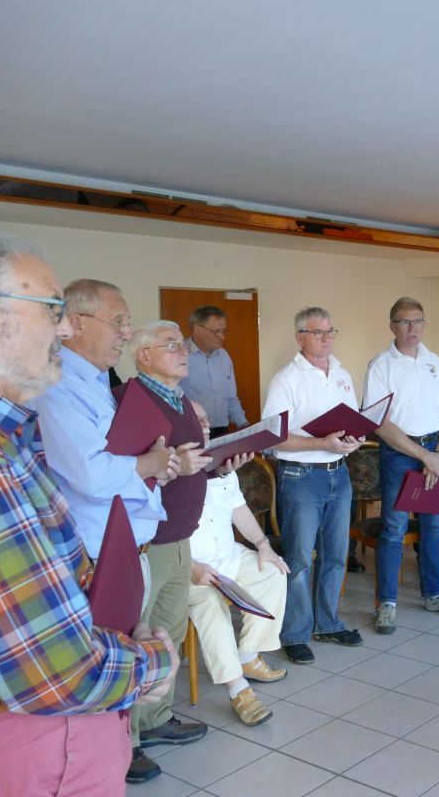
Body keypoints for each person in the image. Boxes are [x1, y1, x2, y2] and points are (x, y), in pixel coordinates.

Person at [0, 231, 176, 795]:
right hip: (35, 748)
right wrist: (154, 660)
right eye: (53, 308)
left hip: (36, 740)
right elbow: (58, 672)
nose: (65, 329)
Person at [29, 278, 187, 783]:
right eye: (118, 323)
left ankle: (120, 750)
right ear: (76, 323)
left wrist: (156, 465)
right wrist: (148, 464)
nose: (125, 333)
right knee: (103, 662)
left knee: (129, 650)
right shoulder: (57, 385)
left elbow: (121, 458)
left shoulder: (98, 382)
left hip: (127, 543)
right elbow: (91, 473)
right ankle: (105, 763)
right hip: (96, 553)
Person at [119, 320, 214, 780]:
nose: (183, 351)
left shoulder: (181, 401)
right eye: (171, 345)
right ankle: (126, 741)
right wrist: (176, 465)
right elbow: (123, 470)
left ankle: (155, 719)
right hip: (145, 542)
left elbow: (189, 462)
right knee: (137, 639)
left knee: (168, 635)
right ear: (143, 355)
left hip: (180, 537)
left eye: (183, 345)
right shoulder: (130, 401)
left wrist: (217, 464)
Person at [262, 307, 365, 664]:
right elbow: (273, 437)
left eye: (330, 330)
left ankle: (328, 623)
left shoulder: (342, 373)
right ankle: (295, 633)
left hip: (339, 473)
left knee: (336, 554)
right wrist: (321, 443)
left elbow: (351, 422)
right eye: (317, 332)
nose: (326, 337)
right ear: (300, 337)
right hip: (301, 477)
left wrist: (353, 439)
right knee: (300, 558)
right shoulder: (285, 379)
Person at [362, 297, 439, 634]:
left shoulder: (434, 360)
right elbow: (380, 424)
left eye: (418, 321)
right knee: (394, 529)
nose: (412, 328)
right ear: (392, 326)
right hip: (399, 453)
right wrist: (426, 457)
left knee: (434, 527)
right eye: (405, 322)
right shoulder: (381, 365)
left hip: (434, 450)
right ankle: (386, 604)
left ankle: (435, 594)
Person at [186, 403, 289, 727]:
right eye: (197, 418)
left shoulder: (221, 462)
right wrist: (190, 566)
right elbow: (157, 535)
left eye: (206, 417)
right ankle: (238, 689)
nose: (206, 422)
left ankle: (247, 656)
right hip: (189, 568)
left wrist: (263, 545)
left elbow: (238, 509)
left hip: (228, 556)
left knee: (273, 571)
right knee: (211, 605)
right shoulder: (169, 470)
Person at [180, 305, 248, 437]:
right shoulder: (180, 355)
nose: (222, 337)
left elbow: (231, 398)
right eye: (217, 332)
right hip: (191, 432)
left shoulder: (224, 356)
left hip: (222, 431)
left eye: (224, 331)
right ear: (198, 330)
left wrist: (244, 424)